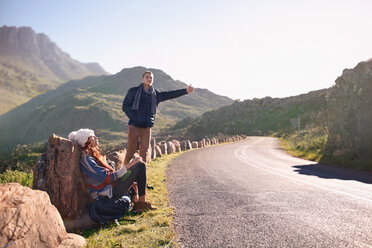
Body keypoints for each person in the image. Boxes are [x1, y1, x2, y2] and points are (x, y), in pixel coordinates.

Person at [68, 128, 156, 223]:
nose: (96, 137)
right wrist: (130, 164)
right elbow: (109, 178)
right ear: (86, 141)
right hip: (108, 194)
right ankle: (141, 204)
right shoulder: (87, 161)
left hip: (112, 187)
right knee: (139, 165)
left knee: (138, 167)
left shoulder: (93, 156)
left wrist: (129, 180)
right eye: (93, 137)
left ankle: (139, 203)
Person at [122, 70, 194, 164]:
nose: (149, 79)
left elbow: (170, 94)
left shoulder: (156, 94)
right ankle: (123, 174)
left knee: (144, 153)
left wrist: (185, 91)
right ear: (142, 79)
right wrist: (134, 117)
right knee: (131, 151)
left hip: (147, 128)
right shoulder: (133, 91)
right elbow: (125, 106)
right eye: (147, 77)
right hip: (134, 126)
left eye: (151, 77)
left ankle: (141, 175)